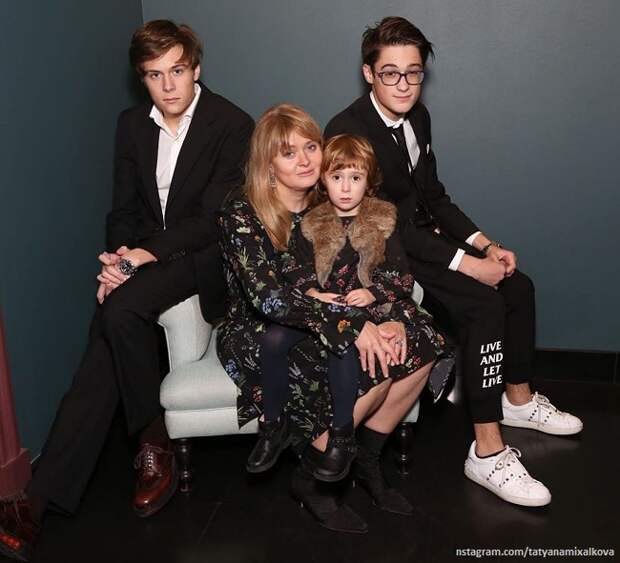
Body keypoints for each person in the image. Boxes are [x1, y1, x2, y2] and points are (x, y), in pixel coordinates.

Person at [0, 20, 253, 562]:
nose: (168, 86)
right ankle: (52, 492)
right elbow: (122, 210)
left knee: (116, 313)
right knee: (113, 323)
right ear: (143, 79)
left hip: (203, 261)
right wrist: (118, 258)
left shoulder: (232, 123)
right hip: (144, 263)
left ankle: (140, 444)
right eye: (155, 75)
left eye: (177, 71)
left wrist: (142, 256)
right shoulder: (131, 125)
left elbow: (214, 220)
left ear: (196, 68)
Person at [325, 16, 583, 508]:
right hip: (384, 256)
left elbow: (434, 197)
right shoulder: (348, 130)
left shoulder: (417, 117)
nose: (404, 85)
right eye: (390, 73)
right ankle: (487, 451)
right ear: (368, 74)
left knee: (518, 285)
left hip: (425, 240)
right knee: (484, 304)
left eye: (414, 73)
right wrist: (467, 264)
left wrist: (485, 245)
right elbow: (385, 226)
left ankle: (518, 399)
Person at [217, 104, 449, 533]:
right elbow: (270, 301)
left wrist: (390, 316)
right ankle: (313, 480)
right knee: (367, 356)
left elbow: (367, 273)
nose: (306, 160)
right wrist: (354, 325)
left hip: (337, 309)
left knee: (422, 338)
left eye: (311, 147)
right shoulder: (242, 213)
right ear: (268, 164)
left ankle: (366, 461)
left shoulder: (329, 199)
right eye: (289, 153)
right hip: (262, 328)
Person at [248, 133, 453, 483]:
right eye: (337, 177)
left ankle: (342, 437)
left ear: (368, 181)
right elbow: (293, 268)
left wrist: (372, 293)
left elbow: (402, 277)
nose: (345, 188)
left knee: (343, 345)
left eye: (355, 178)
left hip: (362, 314)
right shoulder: (311, 223)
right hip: (319, 311)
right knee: (273, 341)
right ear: (323, 180)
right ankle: (272, 426)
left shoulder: (383, 220)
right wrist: (313, 291)